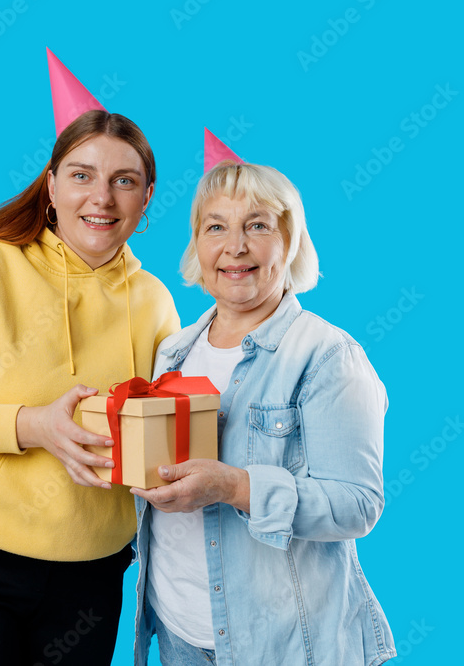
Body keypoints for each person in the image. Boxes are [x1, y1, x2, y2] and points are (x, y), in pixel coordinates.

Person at [0, 51, 180, 665]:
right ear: (50, 186)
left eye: (123, 180)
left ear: (146, 197)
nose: (101, 197)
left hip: (91, 576)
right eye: (81, 175)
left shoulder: (154, 301)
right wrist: (34, 426)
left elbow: (158, 433)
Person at [131, 141, 396, 665]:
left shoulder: (326, 355)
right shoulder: (172, 353)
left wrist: (233, 485)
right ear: (197, 245)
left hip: (282, 644)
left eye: (257, 225)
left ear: (289, 242)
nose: (235, 247)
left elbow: (357, 504)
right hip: (178, 633)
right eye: (216, 227)